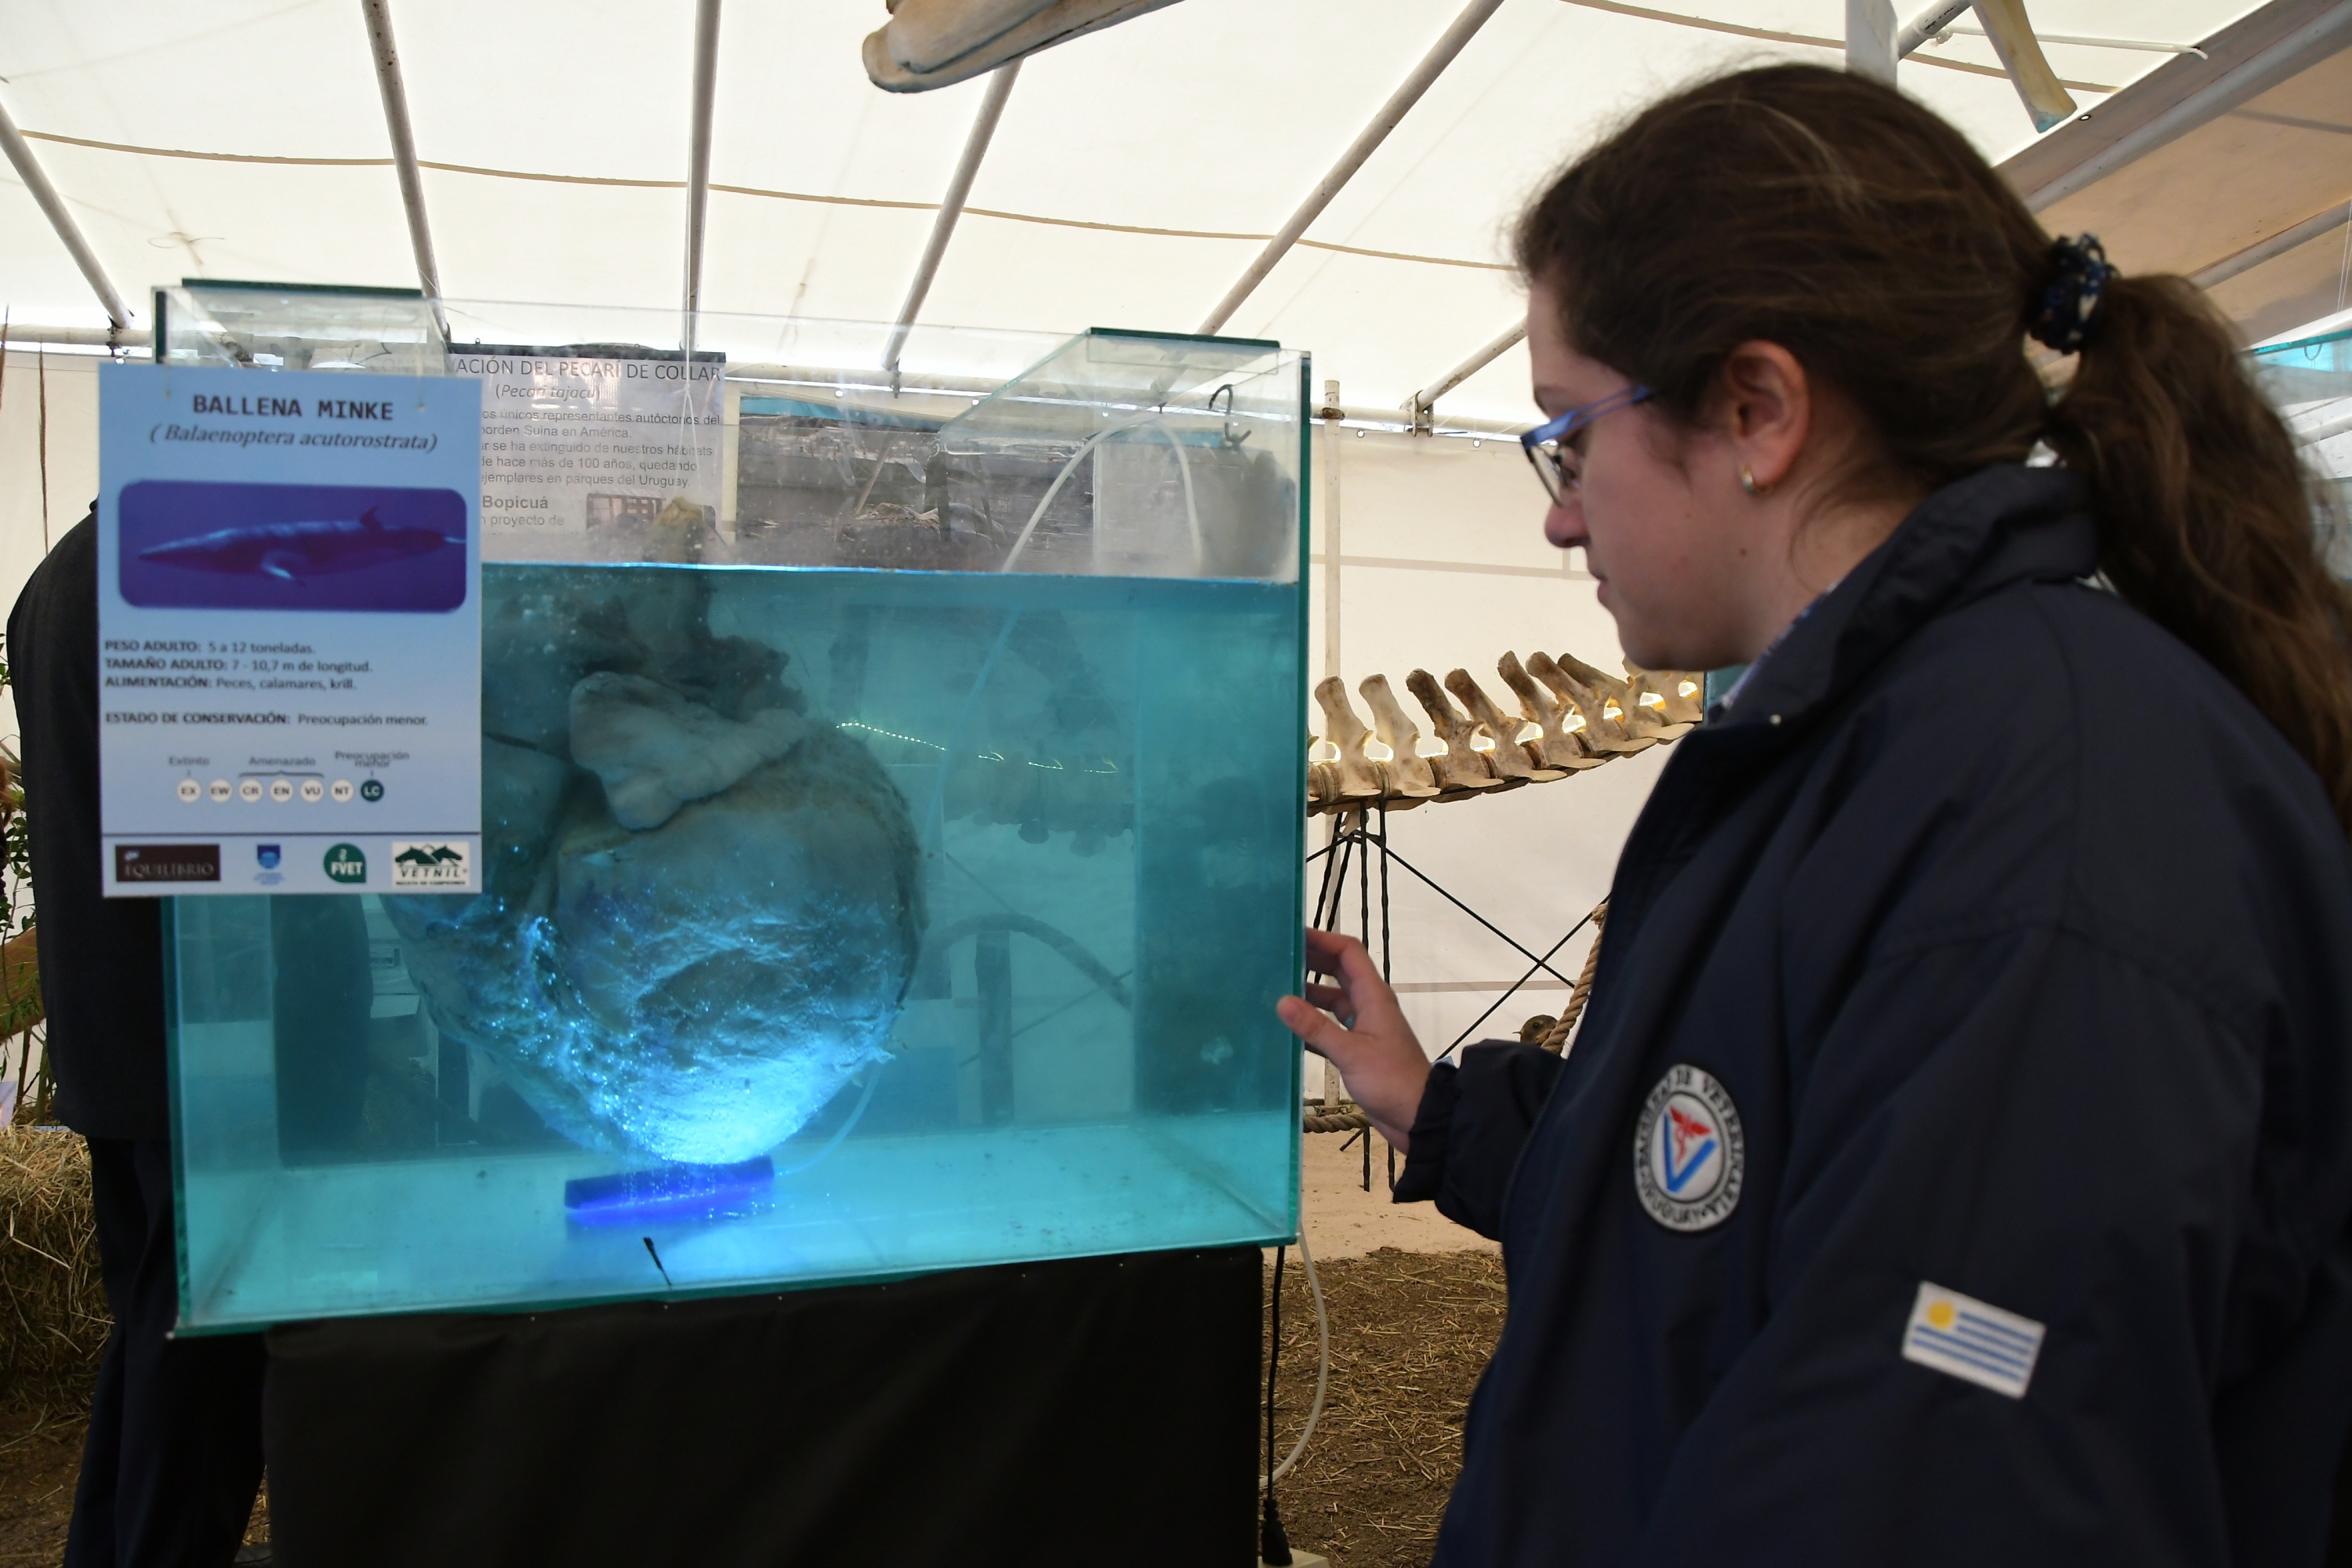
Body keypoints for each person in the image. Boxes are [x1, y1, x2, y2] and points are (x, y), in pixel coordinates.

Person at [1279, 64, 2352, 1567]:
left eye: (1571, 435)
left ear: (1757, 409)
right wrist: (1440, 1110)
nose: (1559, 509)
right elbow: (1719, 1213)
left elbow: (1951, 1456)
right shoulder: (1833, 752)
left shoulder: (2044, 816)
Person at [10, 504, 268, 1566]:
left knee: (160, 1327)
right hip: (185, 1037)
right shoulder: (150, 576)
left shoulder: (61, 575)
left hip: (127, 1033)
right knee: (199, 1356)